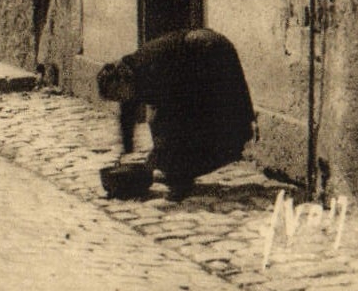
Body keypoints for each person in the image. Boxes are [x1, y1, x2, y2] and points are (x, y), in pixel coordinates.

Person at [98, 28, 256, 201]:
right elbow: (127, 117)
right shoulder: (128, 76)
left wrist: (159, 155)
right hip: (195, 58)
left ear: (121, 81)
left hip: (209, 51)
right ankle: (179, 172)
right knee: (169, 134)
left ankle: (183, 178)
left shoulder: (150, 70)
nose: (119, 99)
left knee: (210, 123)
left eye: (117, 95)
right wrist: (127, 153)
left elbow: (175, 114)